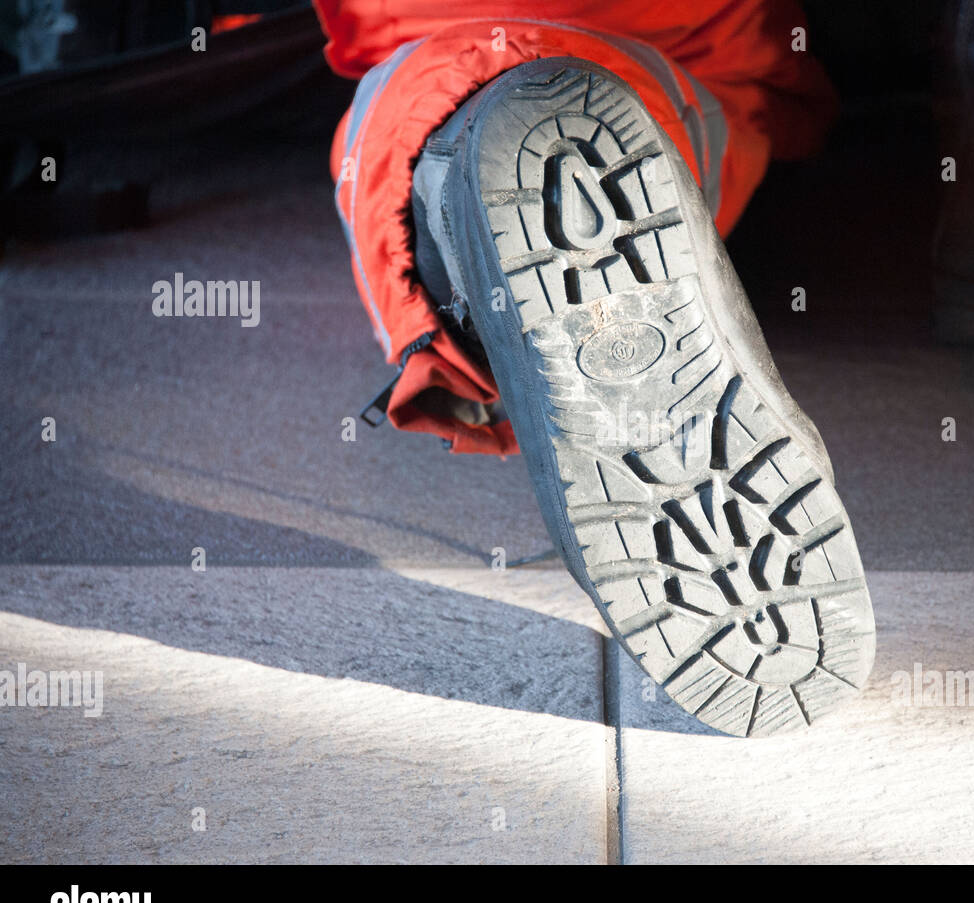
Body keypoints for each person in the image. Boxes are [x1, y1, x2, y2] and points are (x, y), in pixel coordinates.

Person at [314, 0, 875, 736]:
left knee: (411, 116)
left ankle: (468, 244)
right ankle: (580, 225)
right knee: (675, 115)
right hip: (684, 54)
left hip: (425, 48)